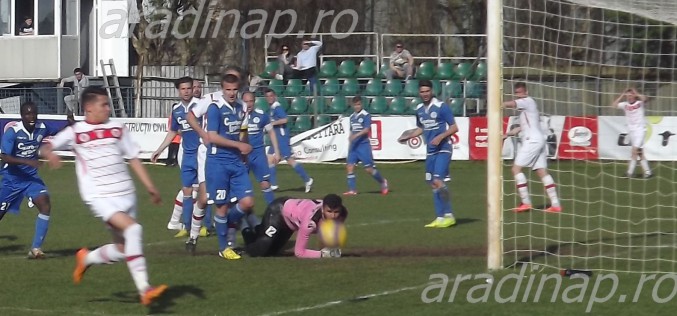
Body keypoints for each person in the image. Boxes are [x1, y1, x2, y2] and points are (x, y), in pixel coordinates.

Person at [40, 87, 166, 306]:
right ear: (89, 108)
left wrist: (150, 187)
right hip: (99, 196)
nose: (108, 108)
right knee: (134, 229)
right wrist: (50, 153)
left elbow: (134, 158)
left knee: (123, 249)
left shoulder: (117, 128)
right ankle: (145, 289)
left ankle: (86, 258)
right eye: (104, 105)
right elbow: (45, 147)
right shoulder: (76, 131)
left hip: (127, 194)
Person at [187, 74, 254, 260]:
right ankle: (223, 247)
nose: (232, 93)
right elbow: (213, 136)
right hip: (218, 162)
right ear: (222, 89)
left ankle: (223, 225)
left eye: (235, 89)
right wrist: (239, 146)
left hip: (236, 161)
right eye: (228, 90)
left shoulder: (242, 107)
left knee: (247, 202)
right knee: (220, 206)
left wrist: (244, 151)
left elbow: (243, 131)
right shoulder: (214, 108)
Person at [0, 102, 74, 258]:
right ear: (21, 116)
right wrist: (27, 161)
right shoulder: (13, 132)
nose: (31, 117)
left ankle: (36, 249)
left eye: (34, 113)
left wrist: (69, 122)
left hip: (31, 179)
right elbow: (4, 156)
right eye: (27, 114)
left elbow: (57, 128)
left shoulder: (42, 127)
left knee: (45, 204)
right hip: (12, 180)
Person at [151, 77, 206, 239]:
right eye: (183, 89)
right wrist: (159, 150)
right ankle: (186, 226)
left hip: (201, 153)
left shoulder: (201, 105)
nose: (187, 91)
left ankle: (205, 226)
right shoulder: (176, 110)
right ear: (179, 91)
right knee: (187, 192)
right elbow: (173, 132)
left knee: (203, 191)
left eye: (189, 88)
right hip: (187, 155)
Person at [397, 80, 457, 228]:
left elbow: (454, 127)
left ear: (432, 91)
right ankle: (443, 217)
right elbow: (421, 128)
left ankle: (446, 215)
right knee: (433, 184)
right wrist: (410, 135)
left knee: (437, 180)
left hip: (443, 148)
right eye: (422, 91)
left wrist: (440, 137)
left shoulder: (441, 106)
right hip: (430, 152)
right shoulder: (419, 109)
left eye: (427, 91)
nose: (425, 94)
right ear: (419, 93)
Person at [502, 82, 561, 213]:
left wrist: (499, 103)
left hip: (532, 141)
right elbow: (521, 127)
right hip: (538, 140)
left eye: (520, 92)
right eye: (517, 93)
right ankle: (556, 205)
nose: (519, 95)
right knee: (541, 171)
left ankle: (526, 203)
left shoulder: (527, 101)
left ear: (526, 92)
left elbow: (511, 104)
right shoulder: (526, 110)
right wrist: (507, 134)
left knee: (516, 169)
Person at [242, 194, 347, 258]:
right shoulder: (310, 222)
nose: (333, 216)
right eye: (329, 211)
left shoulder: (342, 215)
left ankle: (255, 228)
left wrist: (330, 248)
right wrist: (323, 254)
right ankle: (243, 234)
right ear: (323, 209)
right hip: (278, 211)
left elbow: (327, 233)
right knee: (261, 248)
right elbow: (299, 253)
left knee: (272, 252)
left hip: (290, 222)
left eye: (336, 212)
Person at [264, 88, 314, 193]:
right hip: (276, 139)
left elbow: (285, 119)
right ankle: (273, 185)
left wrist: (272, 124)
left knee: (290, 160)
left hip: (281, 138)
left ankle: (307, 179)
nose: (269, 98)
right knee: (269, 159)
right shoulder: (272, 108)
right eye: (267, 96)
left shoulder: (277, 107)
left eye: (271, 96)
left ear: (275, 96)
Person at [344, 96, 389, 196]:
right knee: (349, 167)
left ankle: (382, 182)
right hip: (354, 146)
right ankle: (352, 190)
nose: (357, 107)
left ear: (362, 104)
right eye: (355, 105)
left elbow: (366, 129)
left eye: (359, 104)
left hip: (363, 146)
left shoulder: (366, 115)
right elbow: (352, 130)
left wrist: (356, 135)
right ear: (352, 105)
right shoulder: (352, 117)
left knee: (369, 169)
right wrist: (351, 137)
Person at [242, 91, 281, 204]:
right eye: (246, 102)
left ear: (254, 102)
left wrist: (277, 152)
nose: (249, 104)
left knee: (265, 184)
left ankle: (273, 212)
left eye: (251, 101)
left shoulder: (261, 115)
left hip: (258, 155)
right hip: (242, 156)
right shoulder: (237, 116)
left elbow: (271, 132)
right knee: (242, 187)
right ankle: (242, 216)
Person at [611, 87, 652, 179]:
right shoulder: (625, 105)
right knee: (639, 152)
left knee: (634, 151)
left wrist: (636, 93)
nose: (629, 97)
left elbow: (645, 99)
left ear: (634, 95)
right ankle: (648, 172)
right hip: (632, 131)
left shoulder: (639, 103)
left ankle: (629, 173)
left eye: (631, 95)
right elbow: (613, 105)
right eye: (627, 95)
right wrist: (622, 94)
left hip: (640, 130)